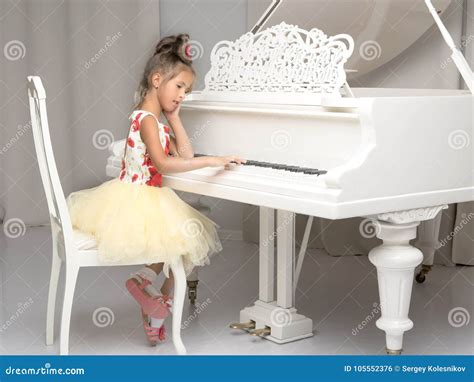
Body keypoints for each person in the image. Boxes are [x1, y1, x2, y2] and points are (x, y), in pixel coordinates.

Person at [66, 33, 246, 345]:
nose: (182, 96)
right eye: (179, 87)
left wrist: (175, 119)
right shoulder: (147, 120)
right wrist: (213, 160)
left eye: (186, 91)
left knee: (185, 245)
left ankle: (150, 296)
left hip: (149, 196)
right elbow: (164, 165)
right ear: (157, 79)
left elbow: (186, 155)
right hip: (137, 198)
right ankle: (151, 296)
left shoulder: (159, 122)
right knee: (183, 243)